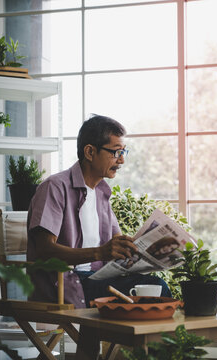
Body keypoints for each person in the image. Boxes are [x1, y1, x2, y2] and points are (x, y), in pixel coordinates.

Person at [27, 114, 171, 310]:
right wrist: (99, 252)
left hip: (97, 280)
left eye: (123, 152)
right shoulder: (55, 187)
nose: (121, 160)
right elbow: (44, 250)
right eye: (115, 152)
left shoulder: (101, 192)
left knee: (152, 288)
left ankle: (127, 342)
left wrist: (142, 252)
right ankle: (168, 342)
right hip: (64, 285)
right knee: (158, 289)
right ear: (90, 152)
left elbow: (117, 242)